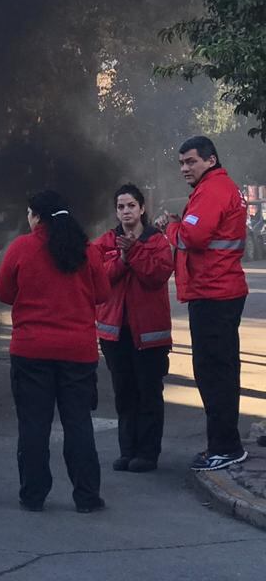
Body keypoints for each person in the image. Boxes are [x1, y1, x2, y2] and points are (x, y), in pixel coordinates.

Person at [0, 191, 109, 514]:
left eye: (29, 214)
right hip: (78, 353)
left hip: (31, 352)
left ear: (36, 216)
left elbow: (3, 292)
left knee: (34, 425)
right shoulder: (86, 250)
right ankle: (87, 496)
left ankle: (33, 496)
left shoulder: (21, 247)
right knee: (78, 424)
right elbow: (102, 293)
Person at [154, 136, 250, 471]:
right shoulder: (216, 189)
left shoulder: (213, 191)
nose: (184, 168)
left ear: (210, 160)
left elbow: (193, 237)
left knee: (214, 374)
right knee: (219, 371)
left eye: (190, 161)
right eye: (181, 163)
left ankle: (225, 447)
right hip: (218, 291)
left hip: (214, 293)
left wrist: (170, 227)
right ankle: (225, 444)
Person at [93, 184, 175, 473]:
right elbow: (97, 278)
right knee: (124, 392)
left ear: (141, 208)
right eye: (120, 206)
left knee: (148, 393)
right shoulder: (105, 242)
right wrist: (122, 258)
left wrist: (135, 253)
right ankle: (127, 451)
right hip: (115, 333)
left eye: (130, 206)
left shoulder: (157, 241)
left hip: (149, 334)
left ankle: (147, 453)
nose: (125, 211)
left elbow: (158, 275)